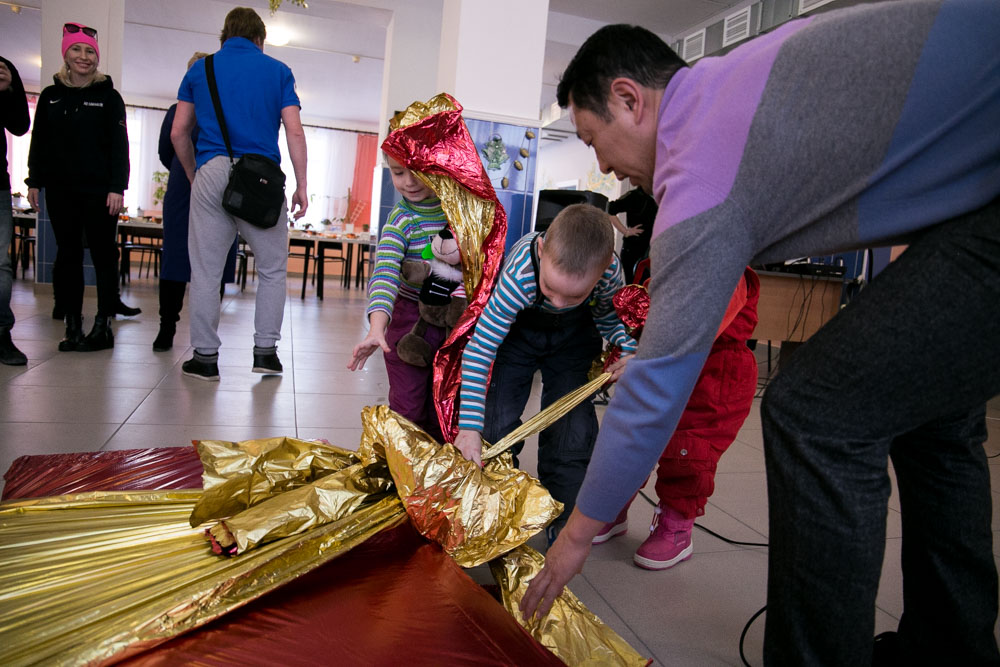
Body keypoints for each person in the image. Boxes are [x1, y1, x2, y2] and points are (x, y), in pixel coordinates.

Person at [520, 2, 1000, 665]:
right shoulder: (729, 81)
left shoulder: (700, 168)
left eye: (595, 139)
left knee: (816, 412)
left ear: (629, 100)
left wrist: (575, 535)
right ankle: (951, 646)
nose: (607, 169)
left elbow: (657, 384)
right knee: (935, 418)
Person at [452, 204, 636, 541]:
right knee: (495, 426)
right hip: (518, 337)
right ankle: (495, 517)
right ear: (541, 251)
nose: (559, 303)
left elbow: (610, 318)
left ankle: (563, 527)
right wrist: (468, 427)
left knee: (572, 434)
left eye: (575, 295)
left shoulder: (610, 271)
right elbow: (481, 350)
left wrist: (628, 350)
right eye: (550, 289)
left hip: (575, 341)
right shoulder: (522, 270)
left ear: (604, 268)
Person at [171, 7, 307, 381]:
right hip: (261, 178)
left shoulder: (200, 70)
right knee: (273, 269)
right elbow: (294, 132)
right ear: (260, 40)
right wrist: (302, 185)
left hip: (212, 170)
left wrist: (193, 172)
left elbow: (179, 132)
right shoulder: (278, 71)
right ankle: (265, 354)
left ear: (224, 36)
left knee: (205, 271)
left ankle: (205, 357)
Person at [593, 268, 760, 571]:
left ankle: (677, 525)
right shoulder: (659, 263)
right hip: (660, 366)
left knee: (689, 449)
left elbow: (702, 327)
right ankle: (613, 507)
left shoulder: (728, 269)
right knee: (631, 437)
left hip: (713, 374)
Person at [26, 22, 130, 352]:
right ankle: (72, 325)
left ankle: (103, 325)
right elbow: (38, 141)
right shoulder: (50, 97)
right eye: (76, 49)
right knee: (68, 255)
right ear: (66, 55)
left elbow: (119, 145)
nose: (83, 56)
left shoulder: (110, 98)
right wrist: (34, 180)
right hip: (60, 190)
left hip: (101, 193)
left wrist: (118, 186)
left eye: (90, 51)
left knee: (102, 256)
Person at [347, 154, 450, 441]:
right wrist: (377, 328)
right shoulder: (401, 219)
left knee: (441, 407)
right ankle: (405, 471)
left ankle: (435, 473)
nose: (409, 182)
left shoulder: (456, 212)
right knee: (409, 407)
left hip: (448, 323)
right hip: (408, 324)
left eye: (418, 172)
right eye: (398, 172)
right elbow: (385, 273)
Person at [153, 52, 238, 353]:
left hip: (222, 194)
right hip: (183, 192)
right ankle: (167, 327)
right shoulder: (178, 110)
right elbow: (167, 150)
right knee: (176, 259)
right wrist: (189, 171)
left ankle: (206, 333)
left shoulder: (231, 111)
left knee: (215, 262)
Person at [0, 55, 29, 365]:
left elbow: (21, 125)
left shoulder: (5, 69)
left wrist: (8, 90)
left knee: (0, 263)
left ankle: (1, 332)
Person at [607, 187, 654, 284]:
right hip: (633, 250)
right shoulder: (634, 196)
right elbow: (609, 210)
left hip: (649, 249)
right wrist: (626, 231)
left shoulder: (657, 196)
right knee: (634, 286)